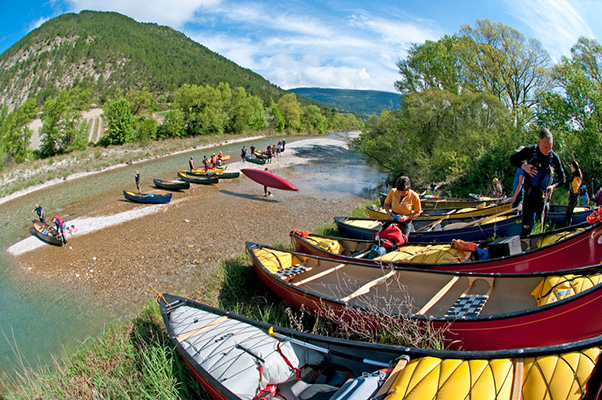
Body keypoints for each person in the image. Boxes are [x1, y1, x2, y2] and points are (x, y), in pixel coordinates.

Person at [510, 128, 565, 236]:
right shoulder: (530, 151)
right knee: (526, 228)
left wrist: (553, 187)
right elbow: (513, 159)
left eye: (550, 147)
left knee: (540, 229)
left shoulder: (553, 157)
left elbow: (563, 178)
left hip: (543, 198)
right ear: (539, 142)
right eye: (545, 147)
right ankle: (525, 247)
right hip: (529, 196)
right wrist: (524, 166)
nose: (548, 150)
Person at [565, 161, 583, 226]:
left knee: (569, 212)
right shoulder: (573, 176)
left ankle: (569, 226)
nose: (571, 168)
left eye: (571, 166)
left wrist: (571, 191)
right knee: (568, 212)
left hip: (574, 197)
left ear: (574, 167)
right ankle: (568, 225)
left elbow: (576, 188)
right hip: (572, 197)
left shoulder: (577, 177)